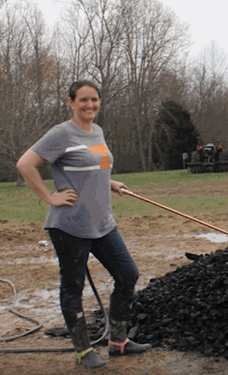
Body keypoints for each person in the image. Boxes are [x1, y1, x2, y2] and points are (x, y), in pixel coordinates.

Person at [16, 81, 151, 370]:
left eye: (94, 100)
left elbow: (92, 165)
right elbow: (25, 164)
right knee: (73, 287)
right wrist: (50, 197)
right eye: (83, 100)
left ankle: (118, 341)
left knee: (128, 274)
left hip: (103, 223)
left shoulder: (97, 131)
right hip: (70, 226)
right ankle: (82, 351)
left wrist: (110, 182)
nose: (89, 105)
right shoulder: (61, 133)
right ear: (71, 102)